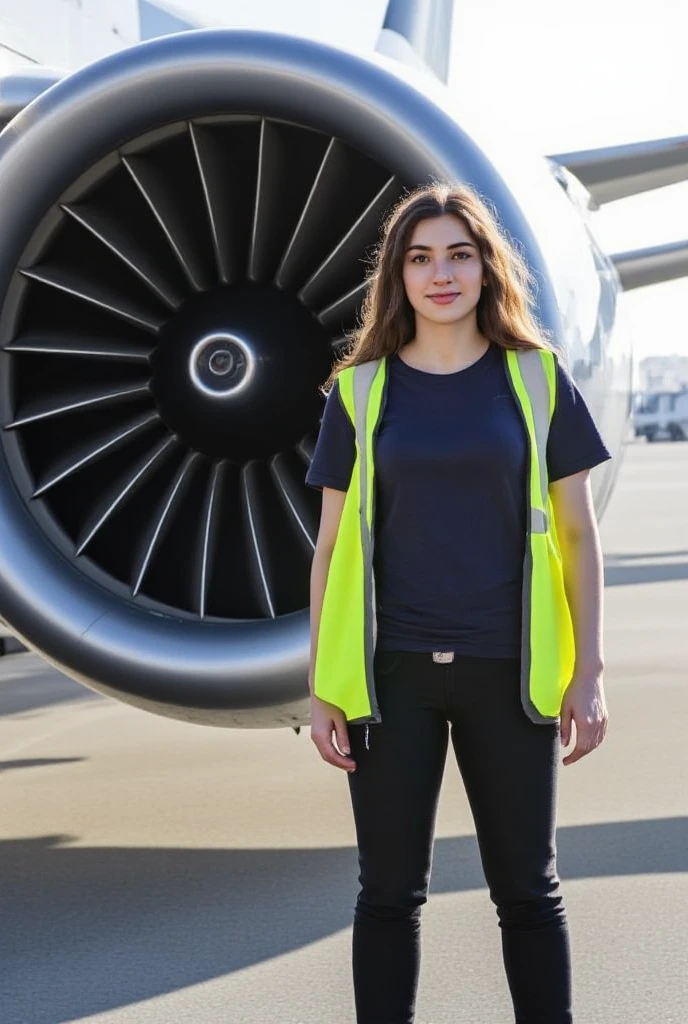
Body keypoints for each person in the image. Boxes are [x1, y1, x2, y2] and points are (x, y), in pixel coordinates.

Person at [305, 181, 610, 1024]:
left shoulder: (538, 379)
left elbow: (580, 538)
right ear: (397, 277)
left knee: (528, 891)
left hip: (507, 672)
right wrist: (323, 682)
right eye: (420, 258)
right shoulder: (359, 393)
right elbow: (329, 549)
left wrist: (587, 671)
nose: (441, 274)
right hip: (389, 677)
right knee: (388, 895)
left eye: (459, 255)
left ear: (486, 269)